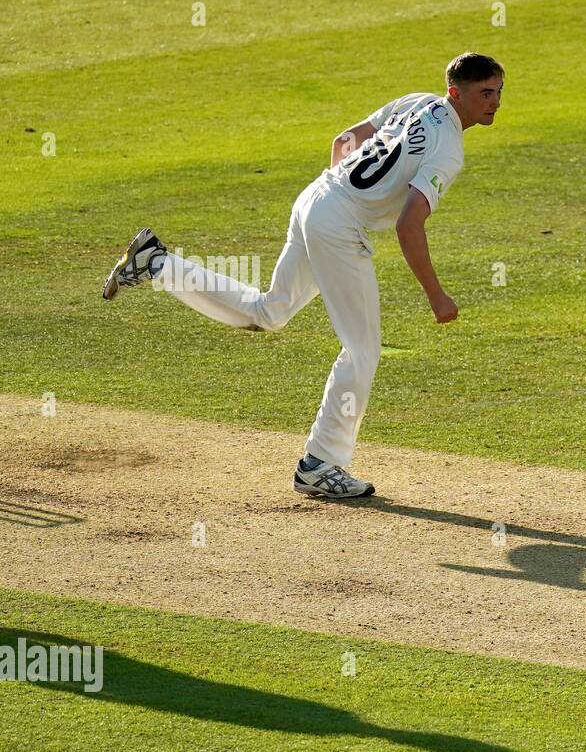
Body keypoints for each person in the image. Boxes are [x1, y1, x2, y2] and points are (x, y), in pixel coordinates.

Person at [100, 52, 504, 499]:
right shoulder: (449, 148)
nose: (495, 102)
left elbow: (345, 140)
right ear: (456, 92)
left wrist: (337, 199)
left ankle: (156, 263)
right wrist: (436, 296)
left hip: (316, 196)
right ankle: (321, 463)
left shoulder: (416, 102)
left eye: (499, 92)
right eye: (485, 93)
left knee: (270, 311)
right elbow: (409, 225)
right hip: (337, 221)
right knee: (363, 349)